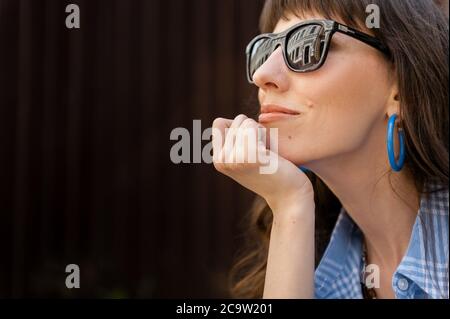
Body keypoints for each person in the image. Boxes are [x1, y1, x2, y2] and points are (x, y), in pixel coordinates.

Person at [212, 0, 449, 299]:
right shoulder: (309, 264)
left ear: (399, 87)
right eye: (264, 50)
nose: (263, 75)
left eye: (307, 44)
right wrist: (290, 206)